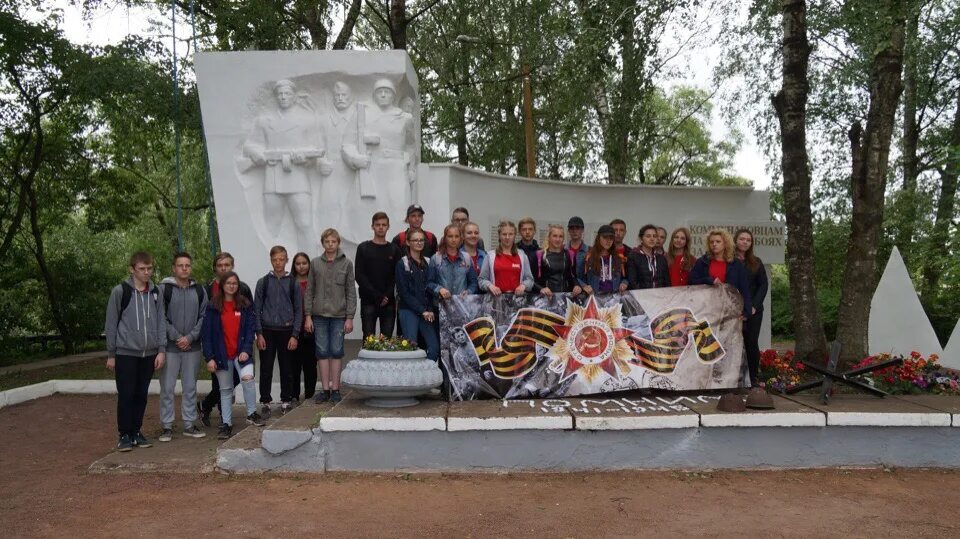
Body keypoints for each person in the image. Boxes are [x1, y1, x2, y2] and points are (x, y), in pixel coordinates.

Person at [242, 79, 322, 251]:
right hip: (273, 177)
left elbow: (317, 148)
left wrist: (305, 159)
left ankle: (308, 264)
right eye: (280, 94)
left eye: (287, 93)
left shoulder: (306, 119)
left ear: (294, 96)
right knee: (271, 224)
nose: (283, 97)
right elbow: (249, 145)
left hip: (298, 178)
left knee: (304, 223)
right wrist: (258, 154)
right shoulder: (265, 120)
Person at [105, 252, 166, 452]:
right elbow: (111, 323)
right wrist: (111, 354)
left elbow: (161, 321)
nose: (147, 272)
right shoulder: (121, 291)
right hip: (126, 353)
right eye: (142, 269)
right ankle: (124, 434)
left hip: (149, 354)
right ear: (132, 269)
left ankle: (136, 431)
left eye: (149, 268)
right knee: (126, 394)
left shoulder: (156, 292)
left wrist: (161, 350)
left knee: (141, 394)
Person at [201, 271, 266, 440]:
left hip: (241, 353)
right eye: (228, 283)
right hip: (221, 355)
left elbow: (250, 328)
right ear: (222, 285)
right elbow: (206, 335)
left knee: (248, 378)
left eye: (234, 283)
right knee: (225, 389)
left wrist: (246, 350)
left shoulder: (244, 304)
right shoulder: (213, 306)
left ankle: (251, 414)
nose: (232, 286)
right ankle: (226, 424)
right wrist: (209, 358)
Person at [198, 252, 254, 426]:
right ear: (215, 268)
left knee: (236, 379)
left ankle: (206, 404)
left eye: (227, 265)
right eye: (220, 265)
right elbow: (204, 318)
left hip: (239, 347)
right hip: (218, 347)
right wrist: (208, 352)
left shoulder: (242, 288)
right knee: (221, 384)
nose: (223, 268)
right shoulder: (207, 290)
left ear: (232, 266)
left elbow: (250, 316)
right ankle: (224, 418)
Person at [157, 252, 207, 442]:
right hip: (171, 347)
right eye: (180, 265)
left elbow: (204, 316)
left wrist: (191, 337)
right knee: (167, 387)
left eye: (187, 265)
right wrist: (178, 337)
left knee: (189, 387)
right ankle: (167, 427)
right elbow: (160, 316)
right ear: (174, 268)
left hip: (192, 347)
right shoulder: (164, 289)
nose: (184, 268)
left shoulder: (199, 290)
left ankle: (189, 424)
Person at [304, 229, 357, 404]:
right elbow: (309, 290)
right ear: (323, 243)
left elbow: (350, 291)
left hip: (338, 316)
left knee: (336, 352)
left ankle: (336, 389)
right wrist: (308, 316)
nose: (330, 244)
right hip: (319, 315)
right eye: (327, 241)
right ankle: (325, 389)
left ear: (338, 243)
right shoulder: (315, 264)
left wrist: (350, 317)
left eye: (333, 241)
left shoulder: (346, 264)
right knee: (321, 353)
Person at [254, 246, 303, 414]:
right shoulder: (263, 282)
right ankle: (265, 401)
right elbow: (257, 309)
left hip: (287, 331)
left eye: (281, 259)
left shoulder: (293, 283)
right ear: (271, 260)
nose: (278, 263)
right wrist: (259, 333)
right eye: (275, 259)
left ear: (287, 260)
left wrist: (295, 334)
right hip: (267, 331)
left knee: (287, 367)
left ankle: (286, 400)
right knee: (266, 367)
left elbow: (299, 310)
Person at [355, 212, 402, 338]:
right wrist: (377, 295)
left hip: (388, 303)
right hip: (368, 301)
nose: (381, 227)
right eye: (378, 225)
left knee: (385, 342)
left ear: (388, 227)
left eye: (384, 225)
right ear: (372, 226)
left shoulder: (394, 249)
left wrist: (386, 295)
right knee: (368, 340)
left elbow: (396, 276)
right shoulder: (363, 248)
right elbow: (359, 275)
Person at [689, 229, 752, 321]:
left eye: (718, 241)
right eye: (711, 242)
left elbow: (744, 288)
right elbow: (691, 281)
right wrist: (709, 280)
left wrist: (747, 311)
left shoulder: (735, 264)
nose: (714, 244)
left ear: (725, 243)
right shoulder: (702, 262)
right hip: (706, 309)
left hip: (730, 309)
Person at [396, 229, 440, 360]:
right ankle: (411, 380)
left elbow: (430, 288)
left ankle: (425, 377)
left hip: (426, 311)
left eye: (421, 240)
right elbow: (403, 292)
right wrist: (422, 310)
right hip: (408, 310)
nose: (419, 243)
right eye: (415, 240)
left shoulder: (427, 261)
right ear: (408, 242)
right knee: (411, 348)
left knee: (434, 348)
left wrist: (430, 310)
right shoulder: (402, 263)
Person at [735, 228, 769, 387]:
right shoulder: (730, 261)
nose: (745, 242)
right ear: (735, 240)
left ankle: (753, 378)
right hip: (733, 311)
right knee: (733, 344)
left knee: (751, 343)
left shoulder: (756, 262)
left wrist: (754, 306)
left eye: (748, 240)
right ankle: (735, 379)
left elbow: (763, 285)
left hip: (754, 311)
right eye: (742, 239)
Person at [478, 220, 535, 296]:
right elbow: (481, 280)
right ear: (499, 235)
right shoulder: (490, 256)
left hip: (517, 301)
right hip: (496, 300)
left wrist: (523, 286)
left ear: (514, 235)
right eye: (504, 234)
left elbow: (530, 280)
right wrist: (490, 286)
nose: (507, 237)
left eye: (510, 234)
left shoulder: (522, 256)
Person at [291, 252, 317, 400]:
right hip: (294, 330)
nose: (301, 266)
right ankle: (294, 395)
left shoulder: (314, 283)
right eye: (298, 263)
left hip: (311, 329)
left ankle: (310, 395)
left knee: (310, 365)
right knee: (294, 365)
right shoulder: (290, 282)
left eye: (304, 263)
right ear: (294, 266)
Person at [430, 224, 478, 300]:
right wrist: (440, 289)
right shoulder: (436, 258)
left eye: (456, 236)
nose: (454, 239)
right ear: (445, 238)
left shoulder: (466, 258)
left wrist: (469, 291)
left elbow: (474, 282)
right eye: (450, 236)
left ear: (460, 238)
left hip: (461, 304)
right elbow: (429, 283)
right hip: (441, 305)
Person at [578, 225, 629, 295]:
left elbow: (625, 277)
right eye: (605, 237)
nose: (608, 241)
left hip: (614, 298)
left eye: (611, 238)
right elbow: (579, 278)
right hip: (595, 297)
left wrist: (624, 283)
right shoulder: (588, 257)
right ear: (598, 238)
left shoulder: (619, 258)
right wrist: (584, 286)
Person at [534, 225, 582, 296]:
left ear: (563, 239)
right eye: (555, 236)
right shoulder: (540, 255)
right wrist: (541, 289)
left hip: (565, 298)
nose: (557, 239)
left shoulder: (570, 254)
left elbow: (572, 276)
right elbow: (532, 281)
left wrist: (577, 286)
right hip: (546, 298)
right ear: (549, 237)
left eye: (560, 236)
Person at [627, 224, 671, 290]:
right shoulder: (633, 256)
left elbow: (667, 282)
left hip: (661, 296)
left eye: (654, 236)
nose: (652, 239)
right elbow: (632, 282)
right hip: (641, 296)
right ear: (641, 239)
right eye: (648, 236)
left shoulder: (661, 258)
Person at [565, 216, 590, 281]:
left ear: (582, 230)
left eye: (578, 228)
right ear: (569, 230)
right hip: (566, 288)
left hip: (585, 288)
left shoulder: (590, 251)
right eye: (572, 228)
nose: (575, 231)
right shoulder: (562, 250)